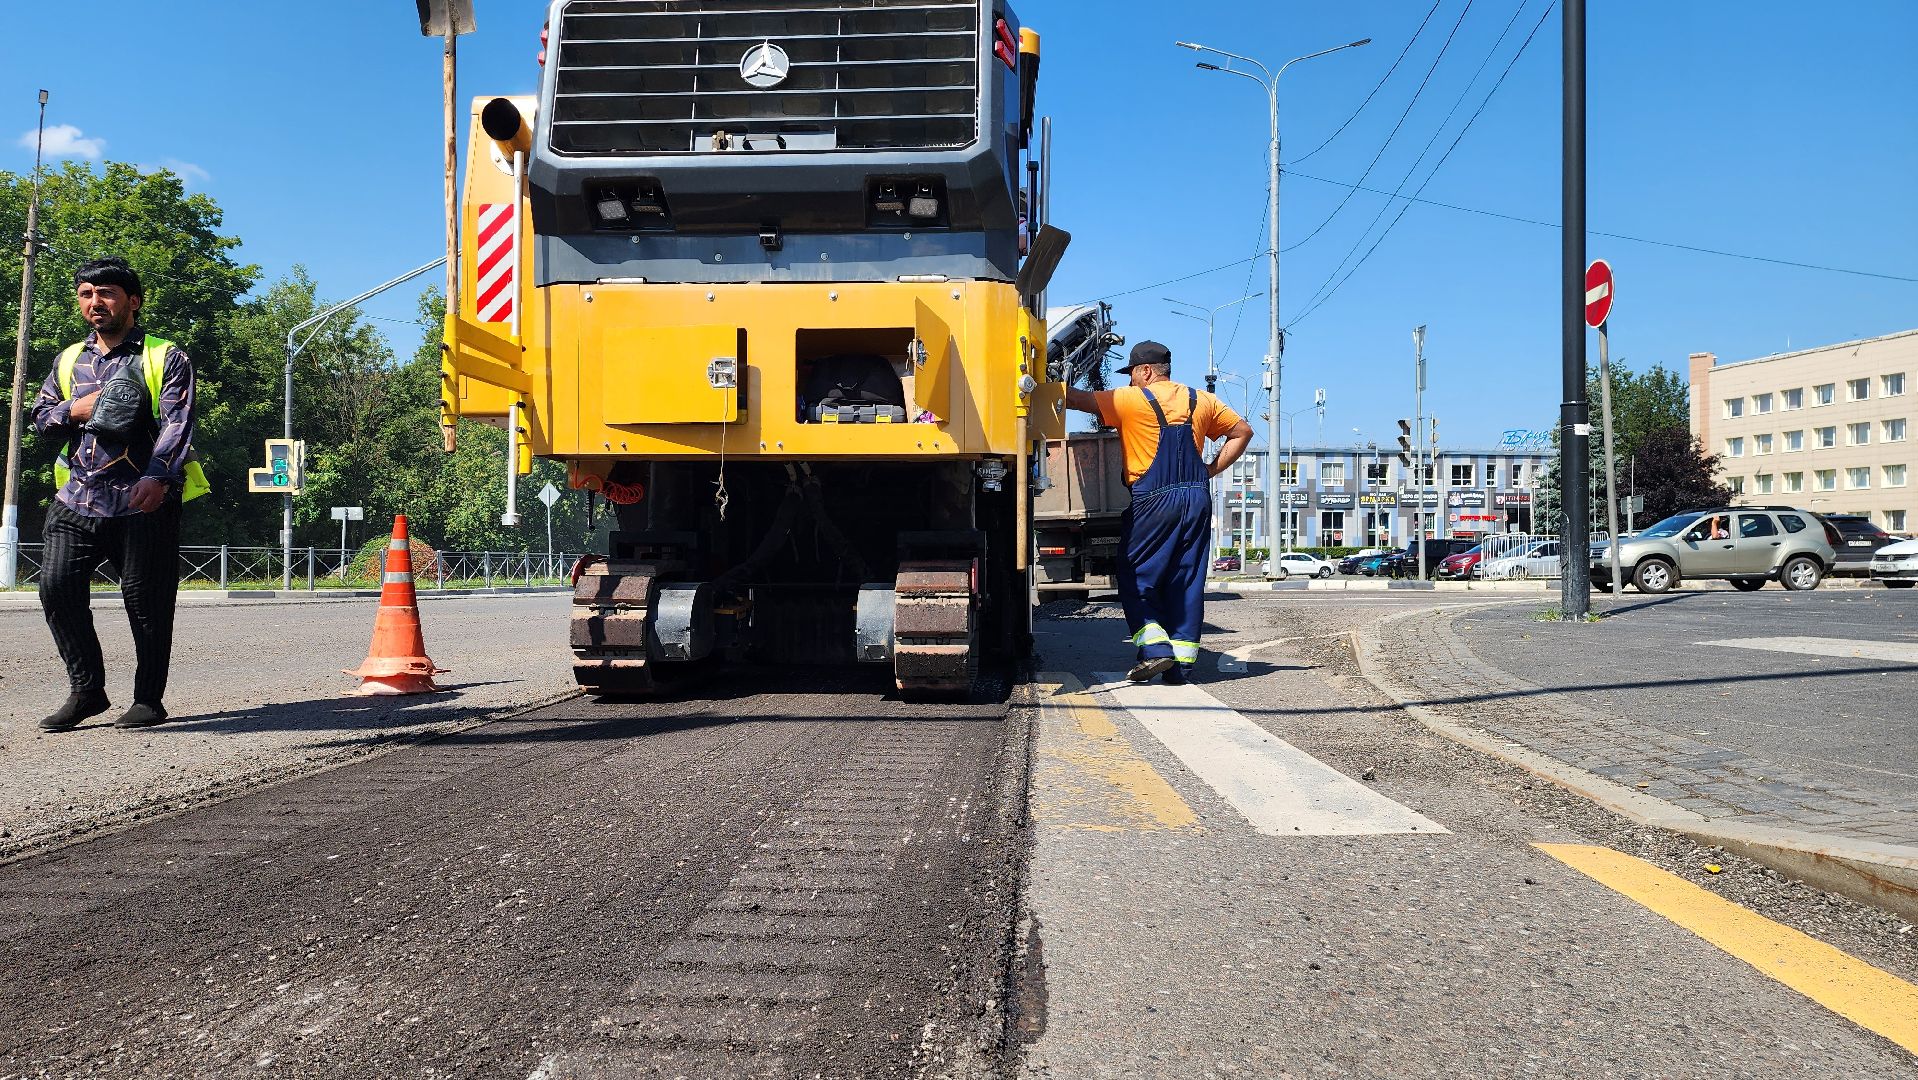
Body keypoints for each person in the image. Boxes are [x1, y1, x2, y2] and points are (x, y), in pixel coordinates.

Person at [30, 258, 206, 731]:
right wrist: (74, 409)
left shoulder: (164, 355)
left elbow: (177, 422)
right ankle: (87, 691)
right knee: (56, 587)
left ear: (133, 301)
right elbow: (40, 417)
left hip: (142, 500)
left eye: (105, 293)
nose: (95, 303)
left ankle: (148, 698)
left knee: (145, 601)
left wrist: (158, 476)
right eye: (87, 294)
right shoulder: (69, 360)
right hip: (77, 498)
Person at [1065, 341, 1253, 683]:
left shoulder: (1129, 400)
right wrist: (1210, 469)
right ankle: (1180, 667)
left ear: (1146, 371)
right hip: (1197, 498)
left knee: (1136, 575)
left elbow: (1075, 399)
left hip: (1153, 500)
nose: (1131, 382)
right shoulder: (1203, 400)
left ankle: (1156, 650)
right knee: (1186, 580)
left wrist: (1041, 380)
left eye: (1133, 375)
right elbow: (1242, 432)